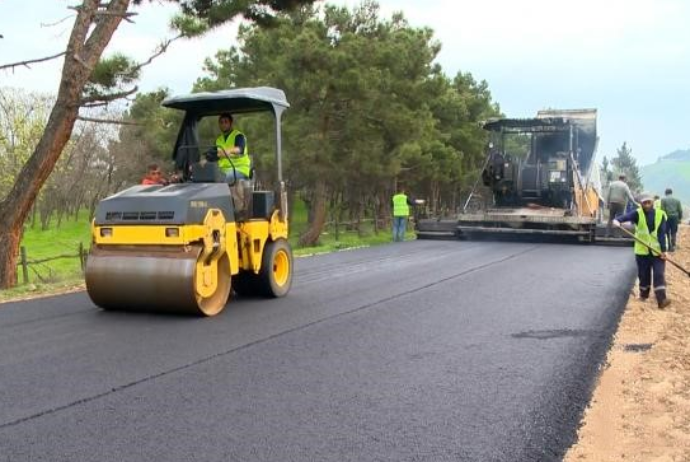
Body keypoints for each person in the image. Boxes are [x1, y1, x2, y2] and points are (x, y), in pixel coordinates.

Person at [613, 192, 671, 309]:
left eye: (649, 202)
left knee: (659, 274)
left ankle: (661, 300)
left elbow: (661, 234)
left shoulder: (661, 215)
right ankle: (644, 295)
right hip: (642, 252)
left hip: (657, 251)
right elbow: (623, 218)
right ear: (641, 204)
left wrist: (664, 251)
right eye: (645, 203)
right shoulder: (637, 214)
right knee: (643, 275)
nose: (647, 204)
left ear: (652, 202)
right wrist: (617, 221)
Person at [209, 113, 251, 183]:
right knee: (207, 179)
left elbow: (239, 149)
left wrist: (227, 151)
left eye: (226, 122)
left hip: (240, 169)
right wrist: (201, 163)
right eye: (221, 122)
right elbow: (211, 155)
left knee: (222, 179)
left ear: (231, 123)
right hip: (223, 171)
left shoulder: (238, 136)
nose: (223, 124)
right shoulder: (219, 140)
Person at [660, 188, 683, 252]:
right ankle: (673, 245)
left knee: (667, 232)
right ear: (671, 193)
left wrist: (662, 219)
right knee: (674, 232)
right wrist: (679, 218)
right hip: (675, 217)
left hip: (667, 217)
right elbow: (680, 210)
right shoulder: (677, 200)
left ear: (665, 193)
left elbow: (662, 210)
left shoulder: (663, 200)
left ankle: (669, 246)